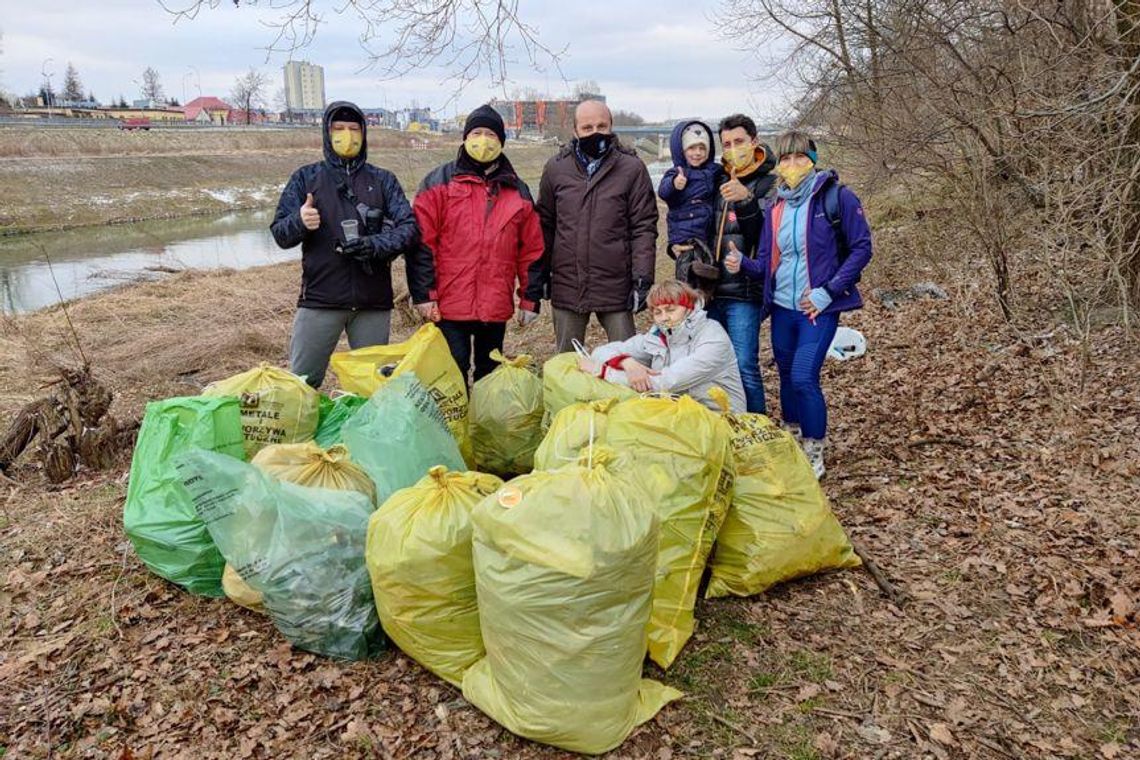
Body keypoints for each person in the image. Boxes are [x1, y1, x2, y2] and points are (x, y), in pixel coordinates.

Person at [726, 130, 873, 477]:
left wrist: (829, 291)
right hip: (781, 308)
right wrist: (741, 265)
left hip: (817, 309)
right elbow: (767, 262)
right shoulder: (777, 205)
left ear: (813, 160)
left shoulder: (837, 198)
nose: (793, 165)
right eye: (787, 159)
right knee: (787, 378)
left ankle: (814, 451)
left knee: (805, 377)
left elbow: (862, 248)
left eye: (800, 158)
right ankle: (791, 441)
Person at [270, 100, 428, 388]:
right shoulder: (306, 178)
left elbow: (409, 230)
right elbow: (280, 234)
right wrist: (300, 222)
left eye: (354, 128)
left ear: (364, 133)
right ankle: (302, 430)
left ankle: (363, 433)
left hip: (372, 303)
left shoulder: (383, 180)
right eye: (339, 128)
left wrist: (374, 245)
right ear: (327, 134)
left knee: (372, 387)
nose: (347, 135)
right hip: (320, 299)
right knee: (303, 383)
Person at [412, 105, 544, 382]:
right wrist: (424, 295)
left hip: (494, 303)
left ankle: (483, 424)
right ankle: (456, 426)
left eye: (490, 134)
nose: (483, 140)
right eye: (477, 132)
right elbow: (422, 244)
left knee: (489, 374)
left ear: (501, 141)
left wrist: (530, 299)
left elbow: (531, 250)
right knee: (452, 371)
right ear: (465, 137)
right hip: (448, 303)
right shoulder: (438, 183)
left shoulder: (517, 190)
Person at [527, 99, 659, 354]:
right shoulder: (555, 169)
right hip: (567, 284)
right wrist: (539, 275)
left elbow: (643, 227)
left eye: (602, 126)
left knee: (625, 361)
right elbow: (545, 225)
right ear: (575, 131)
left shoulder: (632, 169)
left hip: (615, 284)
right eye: (587, 128)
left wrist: (642, 279)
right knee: (566, 364)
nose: (595, 133)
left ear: (611, 127)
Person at [577, 279, 746, 412]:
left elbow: (668, 382)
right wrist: (626, 362)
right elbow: (601, 351)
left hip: (720, 417)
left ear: (688, 308)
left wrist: (604, 372)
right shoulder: (657, 336)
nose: (664, 318)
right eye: (658, 312)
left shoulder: (712, 336)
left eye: (671, 310)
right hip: (677, 413)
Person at [707, 114, 777, 415]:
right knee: (714, 366)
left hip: (746, 291)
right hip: (711, 289)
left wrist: (747, 200)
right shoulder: (717, 179)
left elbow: (768, 238)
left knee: (745, 364)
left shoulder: (771, 183)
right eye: (726, 144)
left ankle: (758, 427)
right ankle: (727, 426)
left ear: (754, 141)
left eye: (739, 142)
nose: (733, 149)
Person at [658, 120, 720, 253]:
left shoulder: (713, 171)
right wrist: (674, 183)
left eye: (702, 148)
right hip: (684, 234)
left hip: (707, 233)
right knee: (691, 269)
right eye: (691, 148)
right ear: (681, 150)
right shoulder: (677, 172)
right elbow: (663, 192)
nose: (697, 153)